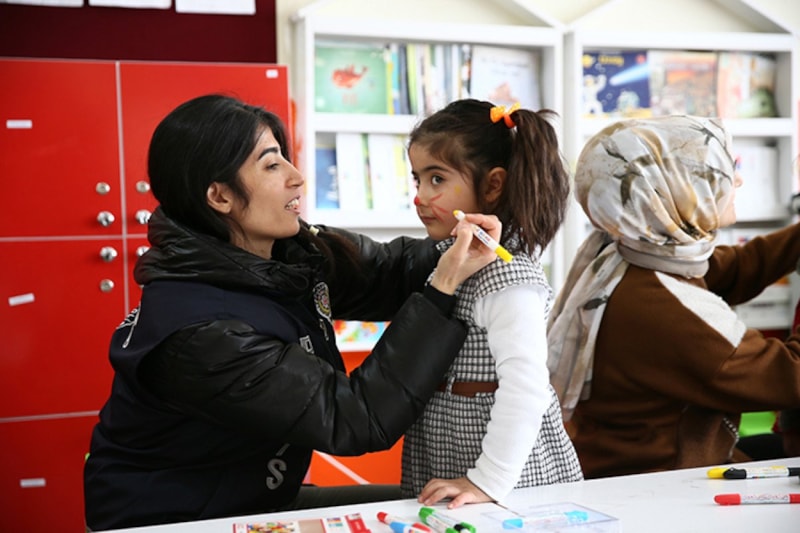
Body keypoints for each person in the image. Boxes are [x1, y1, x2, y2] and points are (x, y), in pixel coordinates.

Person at [83, 94, 503, 530]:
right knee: (434, 519)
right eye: (271, 165)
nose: (297, 177)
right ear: (220, 196)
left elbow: (387, 271)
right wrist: (442, 287)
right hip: (177, 519)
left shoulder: (290, 252)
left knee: (437, 511)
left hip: (253, 497)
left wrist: (483, 229)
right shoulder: (202, 331)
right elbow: (356, 417)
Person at [547, 115, 800, 479]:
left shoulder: (630, 255)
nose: (738, 181)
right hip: (663, 482)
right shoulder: (665, 306)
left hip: (632, 464)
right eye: (719, 174)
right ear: (672, 192)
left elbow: (734, 268)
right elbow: (789, 377)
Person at [400, 99, 583, 509]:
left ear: (493, 185)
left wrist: (487, 480)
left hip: (509, 479)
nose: (420, 197)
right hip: (452, 451)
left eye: (436, 179)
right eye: (417, 180)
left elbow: (526, 387)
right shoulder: (453, 261)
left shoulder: (508, 278)